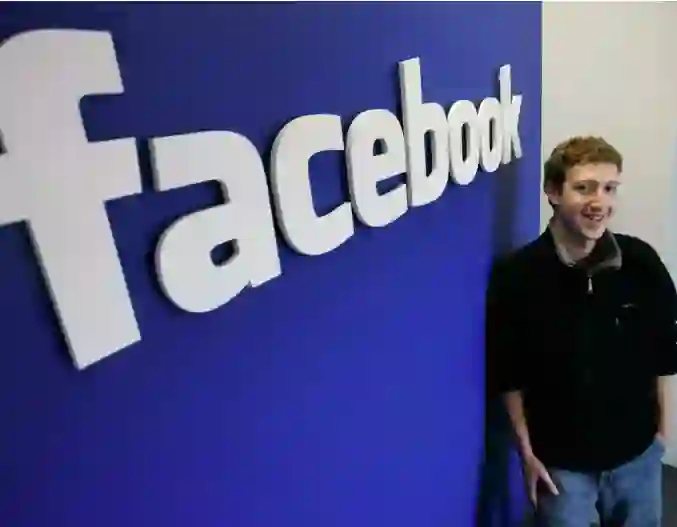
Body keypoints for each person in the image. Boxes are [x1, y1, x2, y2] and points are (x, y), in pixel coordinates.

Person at [486, 136, 677, 526]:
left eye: (609, 188)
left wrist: (662, 434)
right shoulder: (518, 276)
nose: (599, 202)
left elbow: (663, 349)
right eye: (584, 188)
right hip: (562, 467)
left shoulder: (641, 262)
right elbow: (508, 375)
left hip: (638, 456)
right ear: (553, 192)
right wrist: (527, 455)